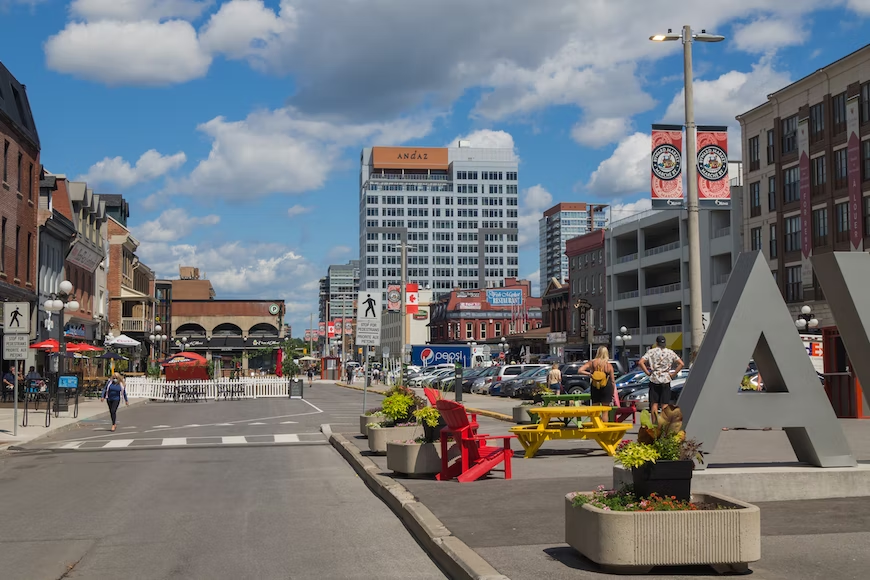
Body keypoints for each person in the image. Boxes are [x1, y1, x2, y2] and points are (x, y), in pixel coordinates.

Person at [638, 335, 684, 423]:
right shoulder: (670, 352)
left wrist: (647, 372)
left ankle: (654, 423)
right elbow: (681, 364)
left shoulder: (651, 352)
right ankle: (664, 424)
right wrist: (673, 374)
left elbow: (641, 362)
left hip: (654, 378)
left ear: (656, 343)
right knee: (665, 404)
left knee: (654, 404)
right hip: (666, 379)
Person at [579, 347, 619, 420]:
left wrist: (590, 375)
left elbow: (580, 370)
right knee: (605, 411)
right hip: (606, 387)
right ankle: (604, 426)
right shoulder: (608, 365)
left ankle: (595, 425)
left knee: (595, 410)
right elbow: (613, 381)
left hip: (595, 386)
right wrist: (613, 392)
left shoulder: (592, 363)